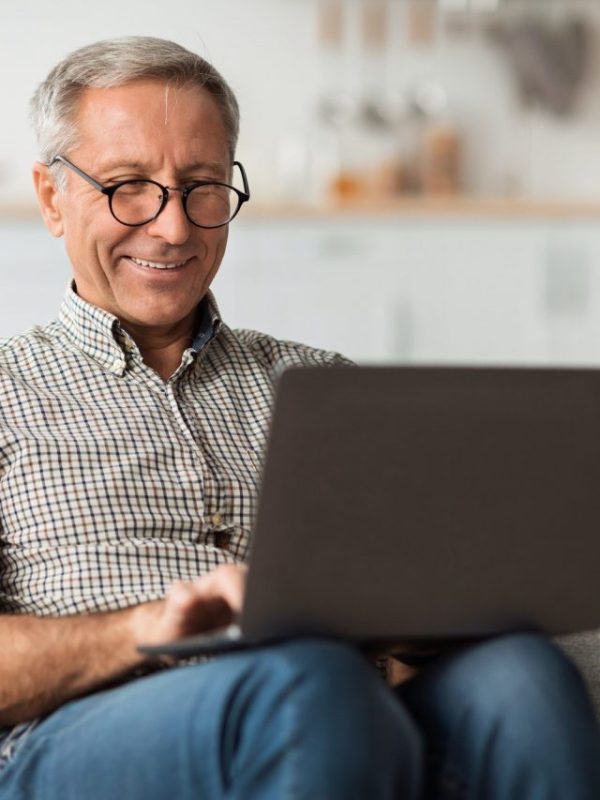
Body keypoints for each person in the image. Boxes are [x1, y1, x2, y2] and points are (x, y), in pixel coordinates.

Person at [0, 35, 598, 800]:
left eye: (202, 186)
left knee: (523, 675)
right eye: (128, 187)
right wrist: (140, 630)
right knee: (307, 685)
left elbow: (410, 635)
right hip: (86, 738)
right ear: (52, 198)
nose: (174, 227)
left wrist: (429, 612)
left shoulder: (321, 387)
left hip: (338, 709)